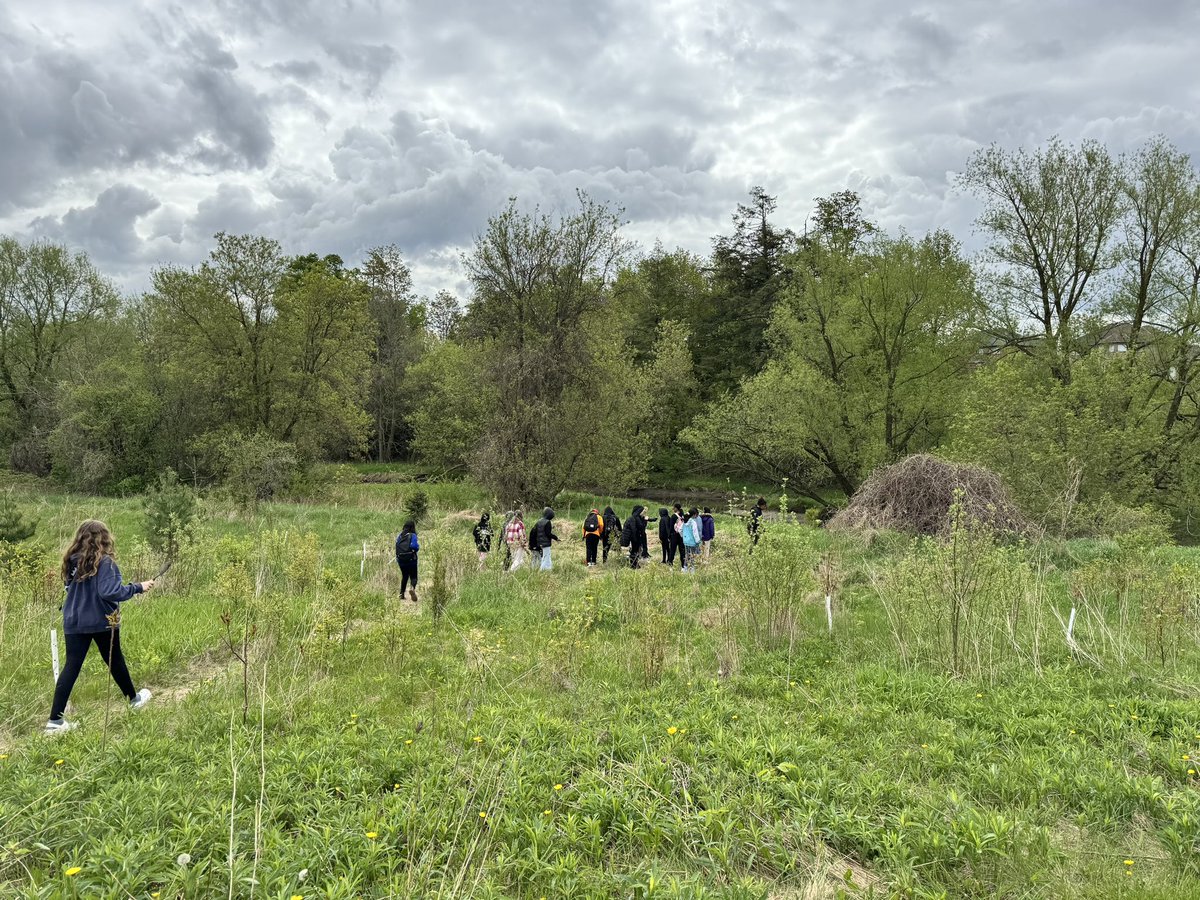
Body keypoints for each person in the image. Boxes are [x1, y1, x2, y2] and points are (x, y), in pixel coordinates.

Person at [46, 520, 155, 734]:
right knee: (115, 660)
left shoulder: (71, 561)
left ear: (80, 537)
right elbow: (109, 592)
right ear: (104, 538)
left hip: (73, 621)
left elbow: (71, 589)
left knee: (72, 666)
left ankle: (54, 721)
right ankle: (133, 700)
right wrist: (138, 587)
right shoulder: (106, 563)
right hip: (102, 620)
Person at [395, 520, 420, 602]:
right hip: (411, 559)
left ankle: (401, 594)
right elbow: (414, 546)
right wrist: (417, 548)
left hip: (401, 560)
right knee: (414, 576)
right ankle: (412, 588)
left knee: (405, 576)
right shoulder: (413, 535)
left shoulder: (400, 536)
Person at [681, 507, 702, 572]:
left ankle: (685, 569)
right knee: (693, 555)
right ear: (694, 514)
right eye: (696, 515)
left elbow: (680, 530)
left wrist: (683, 537)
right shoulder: (693, 522)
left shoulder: (684, 521)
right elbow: (695, 533)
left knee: (687, 555)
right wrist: (698, 541)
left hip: (686, 541)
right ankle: (692, 569)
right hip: (693, 542)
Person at [669, 503, 686, 570]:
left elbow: (671, 527)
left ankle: (670, 565)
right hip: (682, 536)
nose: (673, 508)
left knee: (672, 550)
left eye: (674, 507)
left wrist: (669, 536)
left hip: (674, 535)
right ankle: (683, 566)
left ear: (676, 508)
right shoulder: (683, 516)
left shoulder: (673, 516)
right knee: (682, 551)